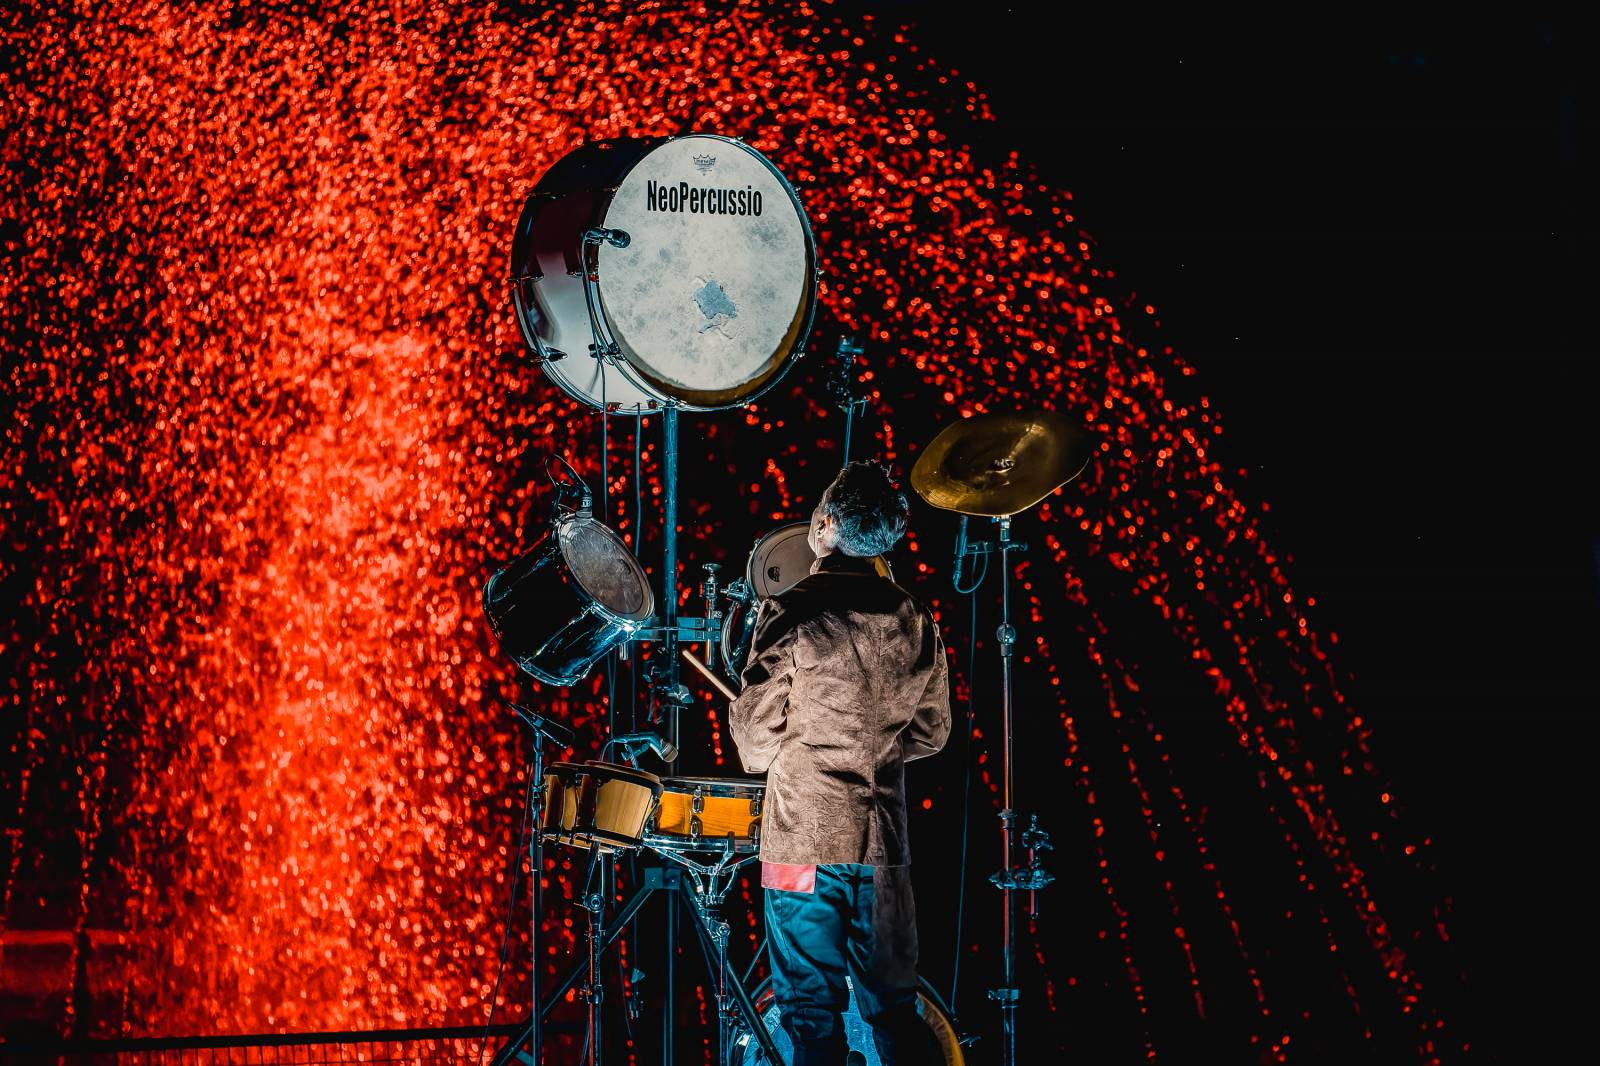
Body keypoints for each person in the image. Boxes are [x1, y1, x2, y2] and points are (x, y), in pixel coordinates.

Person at [728, 460, 952, 1066]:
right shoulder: (913, 618)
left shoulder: (790, 611)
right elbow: (932, 733)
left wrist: (794, 753)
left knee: (808, 1013)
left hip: (800, 842)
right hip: (883, 847)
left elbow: (754, 739)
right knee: (895, 1012)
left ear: (824, 524)